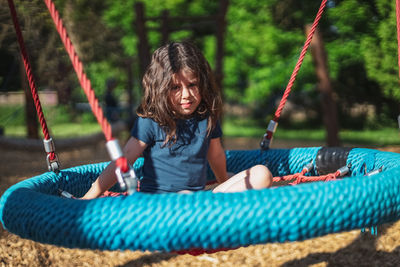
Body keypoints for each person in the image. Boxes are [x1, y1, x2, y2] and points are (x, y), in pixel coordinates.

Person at [82, 42, 272, 198]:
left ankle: (218, 217)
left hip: (196, 200)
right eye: (175, 87)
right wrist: (90, 194)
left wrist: (225, 181)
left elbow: (216, 156)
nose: (186, 95)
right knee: (185, 194)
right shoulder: (152, 120)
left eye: (192, 85)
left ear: (202, 83)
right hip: (159, 206)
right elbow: (123, 161)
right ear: (160, 88)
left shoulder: (206, 117)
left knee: (261, 174)